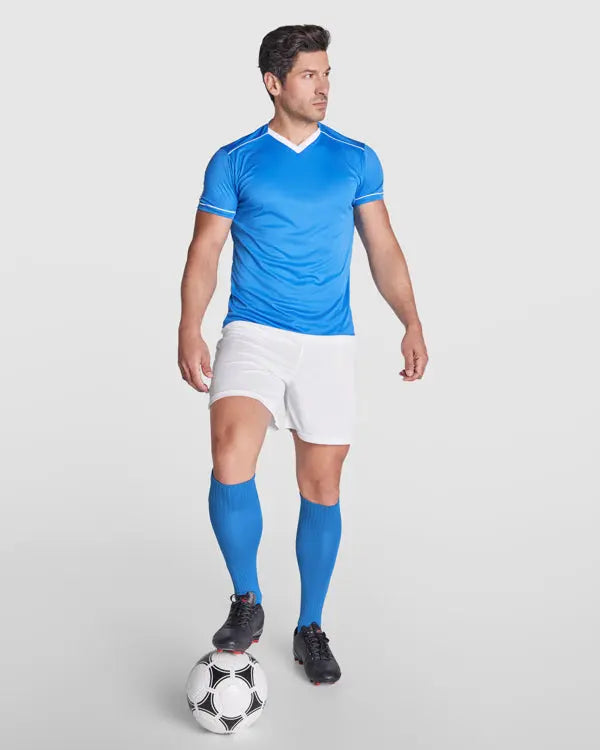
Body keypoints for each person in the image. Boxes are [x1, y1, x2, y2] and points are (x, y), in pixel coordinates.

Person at [178, 24, 428, 686]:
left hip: (327, 342)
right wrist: (189, 326)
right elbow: (206, 249)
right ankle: (247, 600)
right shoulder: (235, 160)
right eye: (310, 75)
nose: (323, 87)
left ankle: (310, 626)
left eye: (327, 74)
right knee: (230, 453)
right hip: (253, 331)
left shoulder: (355, 159)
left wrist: (410, 320)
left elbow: (383, 247)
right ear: (274, 83)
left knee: (322, 485)